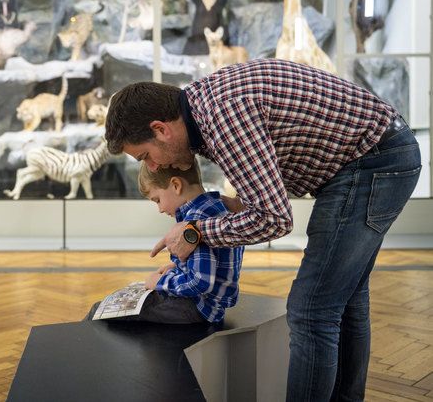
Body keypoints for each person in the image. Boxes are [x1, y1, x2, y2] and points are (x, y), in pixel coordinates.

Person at [104, 59, 421, 401]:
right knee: (345, 301)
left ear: (161, 129)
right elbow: (257, 195)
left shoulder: (224, 120)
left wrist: (194, 232)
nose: (154, 166)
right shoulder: (206, 107)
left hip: (374, 159)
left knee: (312, 311)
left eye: (145, 156)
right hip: (378, 151)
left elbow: (274, 218)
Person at [85, 161, 244, 324]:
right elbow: (214, 263)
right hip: (212, 308)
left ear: (176, 185)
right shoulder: (216, 207)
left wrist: (159, 282)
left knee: (99, 310)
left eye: (157, 200)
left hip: (197, 308)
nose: (160, 209)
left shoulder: (195, 219)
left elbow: (200, 282)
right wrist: (180, 268)